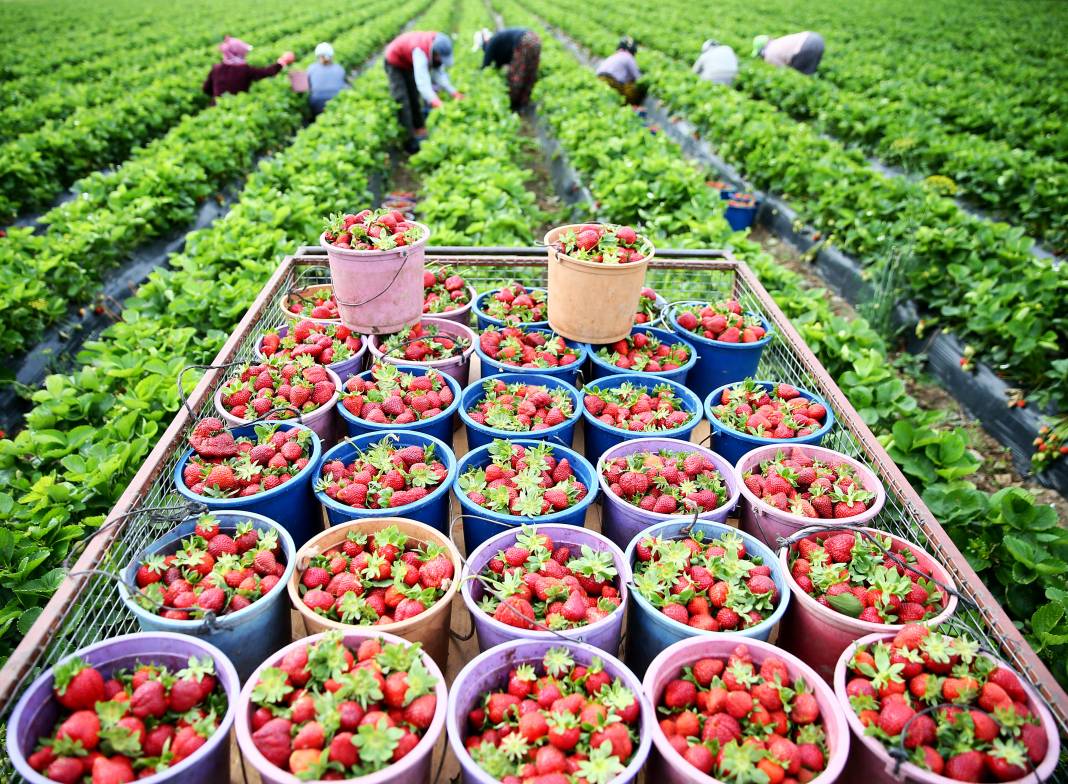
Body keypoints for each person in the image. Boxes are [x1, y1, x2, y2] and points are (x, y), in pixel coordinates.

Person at [384, 31, 463, 151]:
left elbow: (440, 74)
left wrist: (453, 92)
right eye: (440, 58)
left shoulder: (438, 47)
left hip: (408, 62)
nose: (441, 60)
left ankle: (420, 129)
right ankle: (409, 141)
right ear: (435, 53)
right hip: (395, 61)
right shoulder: (420, 53)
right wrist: (435, 101)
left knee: (414, 97)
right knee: (402, 100)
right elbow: (423, 84)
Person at [202, 35, 295, 104]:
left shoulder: (216, 68)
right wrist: (282, 61)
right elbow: (266, 72)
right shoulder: (244, 70)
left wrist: (218, 97)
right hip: (237, 106)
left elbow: (206, 89)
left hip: (217, 106)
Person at [473, 27, 542, 111]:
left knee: (516, 77)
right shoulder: (499, 41)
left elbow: (485, 65)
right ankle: (524, 103)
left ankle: (514, 106)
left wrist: (477, 76)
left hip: (525, 41)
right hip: (535, 38)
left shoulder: (491, 43)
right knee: (530, 73)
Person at [596, 36, 646, 106]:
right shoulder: (628, 57)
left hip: (599, 78)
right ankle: (628, 107)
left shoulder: (614, 56)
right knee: (634, 90)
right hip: (612, 81)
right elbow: (639, 78)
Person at [752, 32, 825, 75]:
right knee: (810, 71)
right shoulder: (777, 42)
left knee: (799, 76)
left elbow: (784, 70)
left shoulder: (768, 54)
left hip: (806, 46)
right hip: (816, 38)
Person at [306, 42, 346, 115]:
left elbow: (309, 86)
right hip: (336, 100)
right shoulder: (339, 68)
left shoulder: (311, 68)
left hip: (317, 102)